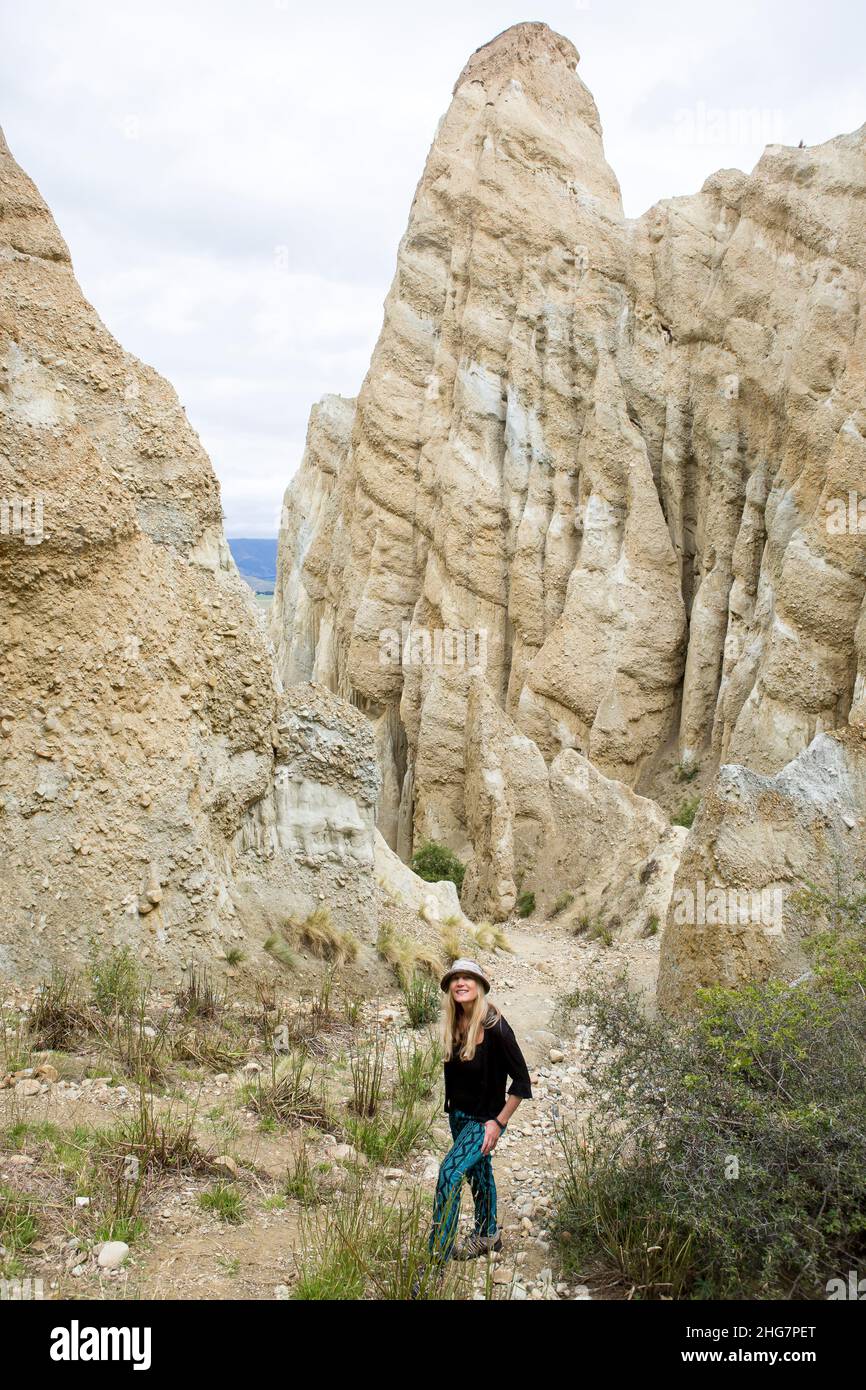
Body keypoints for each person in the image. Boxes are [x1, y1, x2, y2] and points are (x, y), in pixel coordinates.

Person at [412, 958, 532, 1296]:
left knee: (449, 1174)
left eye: (468, 977)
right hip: (459, 1116)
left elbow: (522, 1081)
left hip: (485, 1121)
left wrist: (498, 1122)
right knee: (478, 1172)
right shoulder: (455, 1022)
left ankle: (435, 1262)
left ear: (480, 986)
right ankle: (488, 1233)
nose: (461, 982)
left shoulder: (495, 1027)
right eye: (455, 978)